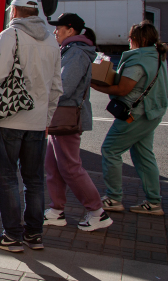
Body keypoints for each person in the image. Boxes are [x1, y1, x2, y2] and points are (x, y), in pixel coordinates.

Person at [0, 0, 62, 252]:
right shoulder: (52, 40)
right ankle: (34, 235)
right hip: (37, 123)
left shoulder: (10, 35)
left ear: (14, 12)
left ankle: (12, 236)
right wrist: (46, 119)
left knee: (6, 178)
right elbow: (57, 88)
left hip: (9, 119)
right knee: (34, 180)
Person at [92, 20, 168, 216]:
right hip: (151, 112)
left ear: (139, 39)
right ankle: (153, 202)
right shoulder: (157, 57)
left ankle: (114, 197)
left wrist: (94, 85)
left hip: (135, 113)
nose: (128, 40)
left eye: (131, 37)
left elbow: (124, 88)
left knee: (110, 149)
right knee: (143, 155)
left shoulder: (139, 59)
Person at [45, 13, 112, 231]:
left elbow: (65, 86)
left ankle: (97, 212)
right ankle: (57, 210)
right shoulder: (71, 50)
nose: (55, 31)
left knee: (70, 168)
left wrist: (42, 93)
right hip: (60, 117)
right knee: (53, 165)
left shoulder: (77, 52)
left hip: (67, 116)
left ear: (70, 30)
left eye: (59, 28)